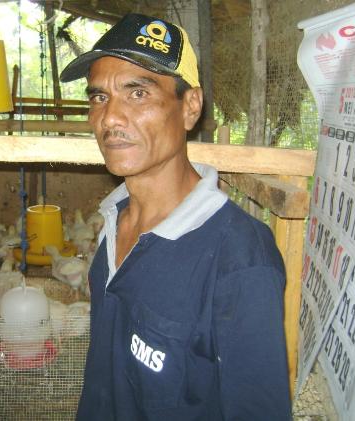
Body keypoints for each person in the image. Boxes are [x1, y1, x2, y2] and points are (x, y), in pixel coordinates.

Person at [60, 13, 292, 420]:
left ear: (190, 107)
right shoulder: (113, 220)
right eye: (99, 97)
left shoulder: (240, 258)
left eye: (138, 93)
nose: (109, 118)